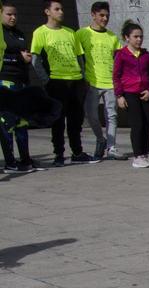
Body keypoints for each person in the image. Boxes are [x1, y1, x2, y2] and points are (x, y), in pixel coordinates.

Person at [31, 0, 97, 166]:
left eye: (62, 9)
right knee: (58, 120)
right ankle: (59, 155)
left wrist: (83, 78)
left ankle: (77, 152)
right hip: (56, 82)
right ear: (47, 11)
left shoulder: (70, 32)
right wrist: (47, 81)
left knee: (76, 120)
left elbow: (79, 57)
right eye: (57, 9)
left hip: (75, 81)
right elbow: (35, 60)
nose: (61, 12)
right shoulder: (40, 32)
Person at [1, 1, 55, 173]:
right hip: (5, 82)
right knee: (7, 123)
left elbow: (26, 57)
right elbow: (10, 57)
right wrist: (18, 57)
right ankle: (10, 162)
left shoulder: (19, 33)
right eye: (9, 14)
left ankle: (26, 160)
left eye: (15, 14)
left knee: (22, 123)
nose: (13, 17)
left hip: (21, 82)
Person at [76, 2, 122, 160]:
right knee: (91, 115)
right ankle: (101, 139)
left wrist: (118, 81)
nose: (105, 18)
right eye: (102, 15)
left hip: (110, 82)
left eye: (107, 16)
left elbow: (118, 60)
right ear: (93, 15)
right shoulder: (82, 34)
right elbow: (78, 58)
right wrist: (83, 78)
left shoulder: (113, 37)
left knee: (112, 115)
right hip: (91, 82)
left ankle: (112, 147)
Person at [112, 20, 149, 169]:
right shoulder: (122, 55)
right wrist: (119, 95)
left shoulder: (146, 55)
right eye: (135, 36)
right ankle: (137, 156)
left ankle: (145, 153)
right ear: (127, 37)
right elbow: (116, 76)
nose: (139, 39)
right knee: (137, 125)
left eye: (141, 36)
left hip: (145, 94)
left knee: (146, 124)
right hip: (130, 94)